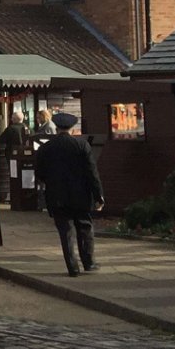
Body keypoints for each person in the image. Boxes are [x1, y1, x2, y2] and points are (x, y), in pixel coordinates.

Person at [34, 112, 103, 276]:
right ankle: (89, 262)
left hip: (57, 196)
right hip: (81, 195)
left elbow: (40, 173)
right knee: (85, 227)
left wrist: (49, 184)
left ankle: (72, 267)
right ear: (72, 128)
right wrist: (98, 195)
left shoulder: (46, 148)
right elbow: (92, 173)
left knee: (66, 232)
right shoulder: (82, 146)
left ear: (56, 128)